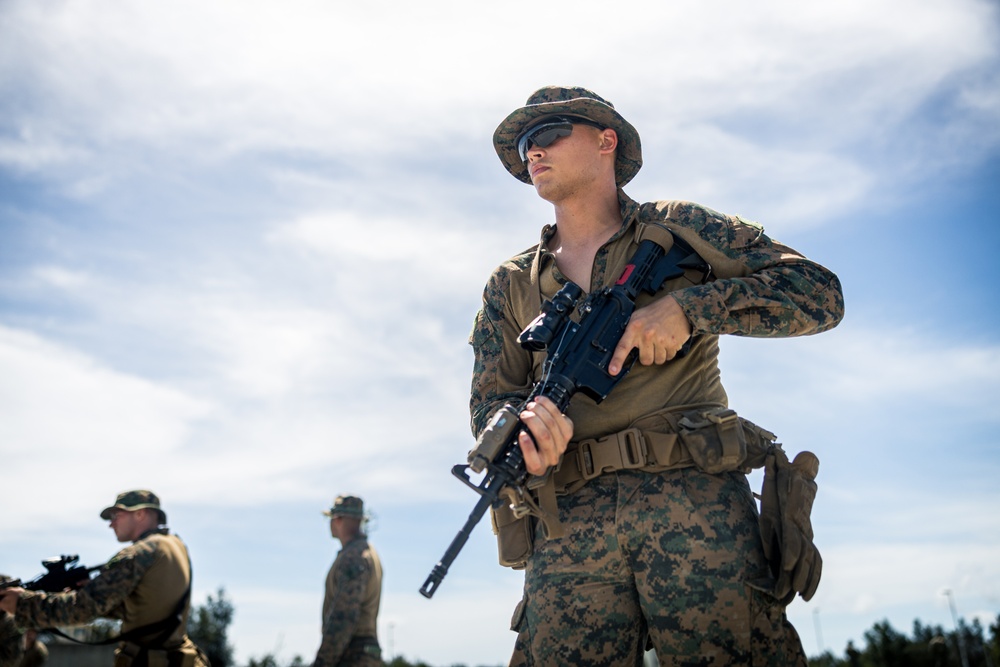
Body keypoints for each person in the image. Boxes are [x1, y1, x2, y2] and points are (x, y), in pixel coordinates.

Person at [470, 86, 845, 666]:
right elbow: (490, 400)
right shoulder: (511, 284)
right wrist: (519, 437)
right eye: (523, 144)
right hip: (571, 521)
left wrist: (692, 310)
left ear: (605, 141)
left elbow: (819, 294)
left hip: (693, 501)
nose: (532, 153)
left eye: (547, 134)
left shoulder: (681, 230)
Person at [0, 490, 208, 667]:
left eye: (116, 515)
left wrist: (22, 604)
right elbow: (144, 608)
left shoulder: (139, 553)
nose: (111, 524)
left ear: (140, 514)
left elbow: (82, 609)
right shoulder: (174, 546)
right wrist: (93, 590)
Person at [313, 495, 383, 667]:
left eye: (331, 519)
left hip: (352, 656)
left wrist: (323, 662)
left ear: (338, 520)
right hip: (364, 654)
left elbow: (344, 616)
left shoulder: (353, 557)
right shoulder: (367, 553)